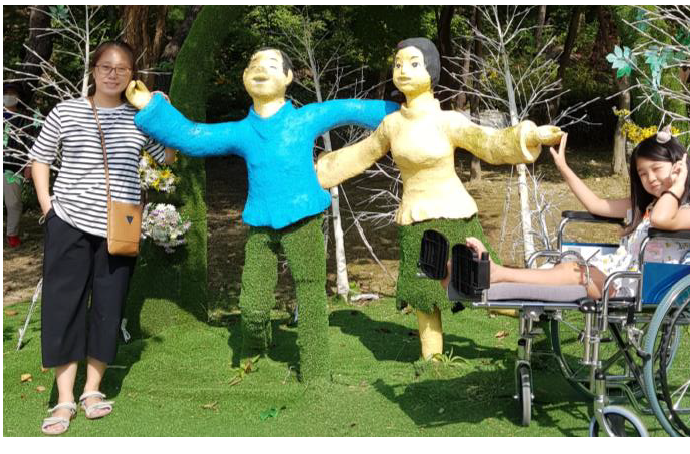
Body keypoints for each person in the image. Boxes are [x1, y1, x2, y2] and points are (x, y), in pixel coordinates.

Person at [125, 47, 398, 381]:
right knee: (253, 306)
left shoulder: (304, 118)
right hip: (260, 223)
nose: (260, 69)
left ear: (288, 77)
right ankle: (254, 350)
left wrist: (408, 111)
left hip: (304, 217)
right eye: (253, 64)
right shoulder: (243, 132)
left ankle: (316, 370)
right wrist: (149, 106)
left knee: (310, 293)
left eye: (270, 64)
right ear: (244, 77)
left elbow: (352, 108)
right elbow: (194, 137)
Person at [315, 37, 564, 360]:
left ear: (431, 71)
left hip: (455, 215)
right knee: (424, 293)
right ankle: (433, 361)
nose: (403, 71)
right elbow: (361, 154)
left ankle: (537, 318)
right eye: (398, 64)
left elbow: (490, 143)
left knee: (481, 282)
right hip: (415, 219)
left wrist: (530, 136)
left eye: (413, 64)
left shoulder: (447, 121)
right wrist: (318, 172)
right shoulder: (392, 125)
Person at [29, 41, 175, 435]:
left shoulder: (140, 119)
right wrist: (47, 206)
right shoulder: (66, 111)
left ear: (132, 76)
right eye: (106, 67)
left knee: (108, 307)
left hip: (119, 228)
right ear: (93, 70)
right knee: (63, 307)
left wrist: (162, 114)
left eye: (122, 68)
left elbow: (168, 156)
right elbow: (40, 158)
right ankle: (64, 398)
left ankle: (92, 390)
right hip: (69, 222)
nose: (113, 74)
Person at [455, 129, 690, 300]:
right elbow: (596, 205)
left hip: (635, 287)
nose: (650, 178)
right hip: (616, 277)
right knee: (564, 268)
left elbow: (663, 219)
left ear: (679, 166)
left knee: (573, 272)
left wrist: (678, 185)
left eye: (656, 169)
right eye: (642, 174)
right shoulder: (646, 207)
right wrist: (563, 167)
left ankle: (499, 274)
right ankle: (492, 278)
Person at [3, 83, 31, 248]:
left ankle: (12, 235)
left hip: (13, 167)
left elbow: (32, 143)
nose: (8, 96)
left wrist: (29, 164)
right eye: (5, 93)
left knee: (13, 203)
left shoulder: (25, 119)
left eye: (12, 93)